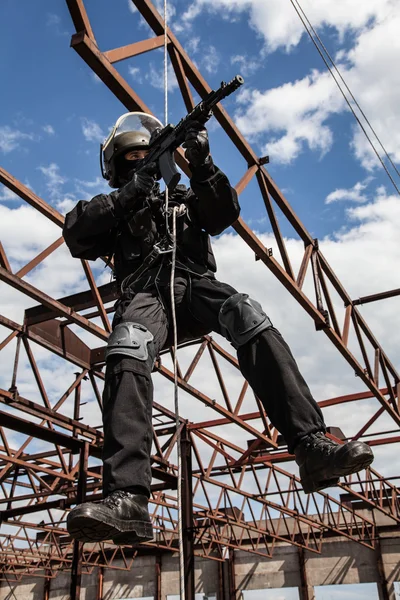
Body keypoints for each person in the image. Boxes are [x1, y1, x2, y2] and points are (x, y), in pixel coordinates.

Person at [63, 112, 374, 546]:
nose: (143, 163)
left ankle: (310, 445)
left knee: (248, 313)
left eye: (147, 157)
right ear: (120, 167)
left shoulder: (183, 198)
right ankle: (128, 496)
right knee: (127, 346)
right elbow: (76, 232)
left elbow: (222, 212)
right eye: (134, 159)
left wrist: (205, 165)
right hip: (146, 293)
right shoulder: (116, 208)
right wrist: (132, 193)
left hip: (196, 285)